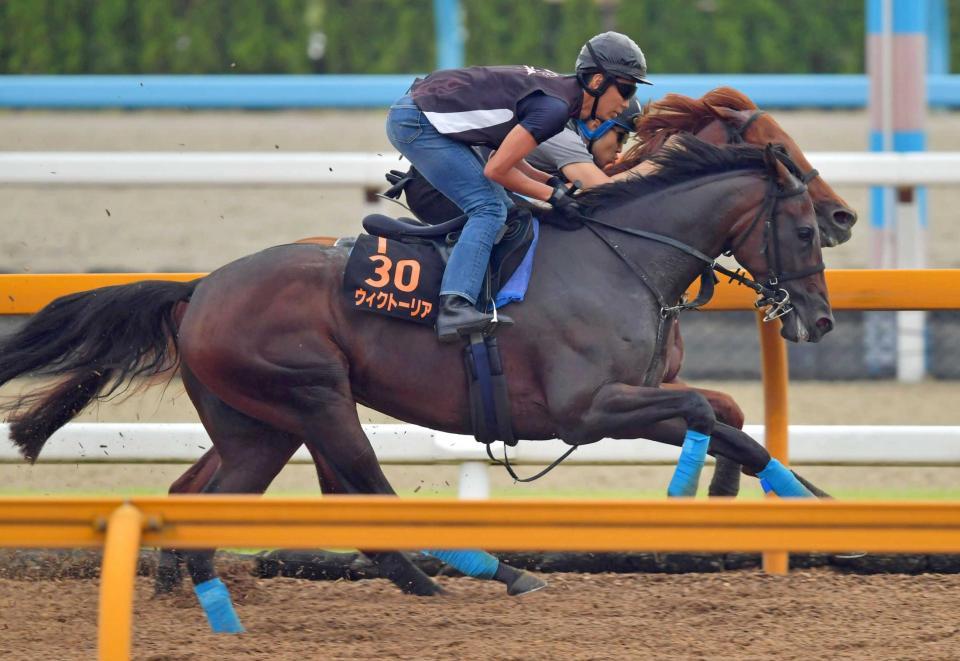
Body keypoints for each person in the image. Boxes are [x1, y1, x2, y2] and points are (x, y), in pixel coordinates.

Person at [386, 31, 651, 342]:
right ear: (596, 82)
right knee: (489, 209)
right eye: (626, 88)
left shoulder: (558, 98)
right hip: (417, 122)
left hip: (422, 115)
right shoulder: (554, 108)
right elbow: (497, 169)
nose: (626, 101)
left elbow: (505, 154)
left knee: (506, 210)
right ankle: (454, 306)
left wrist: (549, 182)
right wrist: (552, 194)